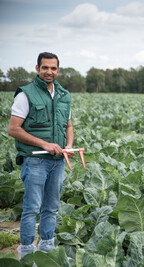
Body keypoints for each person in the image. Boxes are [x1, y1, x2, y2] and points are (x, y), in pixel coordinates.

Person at [8, 52, 74, 260]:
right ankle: (27, 254)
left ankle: (46, 252)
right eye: (45, 67)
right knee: (31, 209)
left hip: (58, 161)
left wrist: (69, 146)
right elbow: (13, 129)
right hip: (35, 160)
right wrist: (45, 144)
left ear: (58, 70)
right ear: (37, 69)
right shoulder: (25, 94)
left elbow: (68, 125)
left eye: (53, 68)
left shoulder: (64, 95)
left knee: (52, 208)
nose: (49, 72)